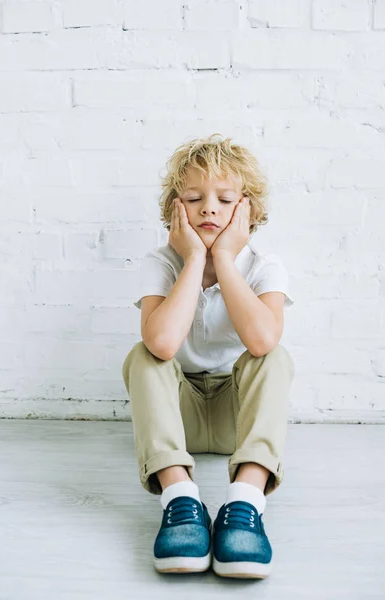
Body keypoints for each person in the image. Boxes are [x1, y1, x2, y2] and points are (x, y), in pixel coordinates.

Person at [122, 133, 295, 579]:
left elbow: (260, 342)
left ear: (247, 209)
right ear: (175, 209)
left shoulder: (264, 265)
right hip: (179, 419)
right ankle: (180, 497)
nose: (209, 209)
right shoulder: (162, 262)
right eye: (195, 198)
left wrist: (224, 255)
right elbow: (161, 345)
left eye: (224, 199)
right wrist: (196, 259)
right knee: (142, 355)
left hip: (239, 417)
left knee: (275, 356)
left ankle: (245, 501)